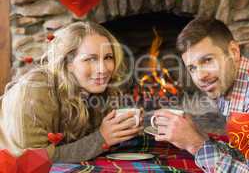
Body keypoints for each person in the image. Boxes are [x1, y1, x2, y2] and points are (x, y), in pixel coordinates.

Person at [153, 19, 249, 172]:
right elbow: (247, 155)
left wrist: (195, 145)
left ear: (234, 52)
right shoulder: (228, 84)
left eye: (207, 60)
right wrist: (198, 136)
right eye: (192, 68)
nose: (200, 76)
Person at [0, 21, 143, 163]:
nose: (103, 69)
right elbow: (32, 160)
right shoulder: (34, 91)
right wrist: (101, 138)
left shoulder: (92, 90)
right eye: (90, 59)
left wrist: (120, 129)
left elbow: (82, 143)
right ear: (68, 63)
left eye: (108, 57)